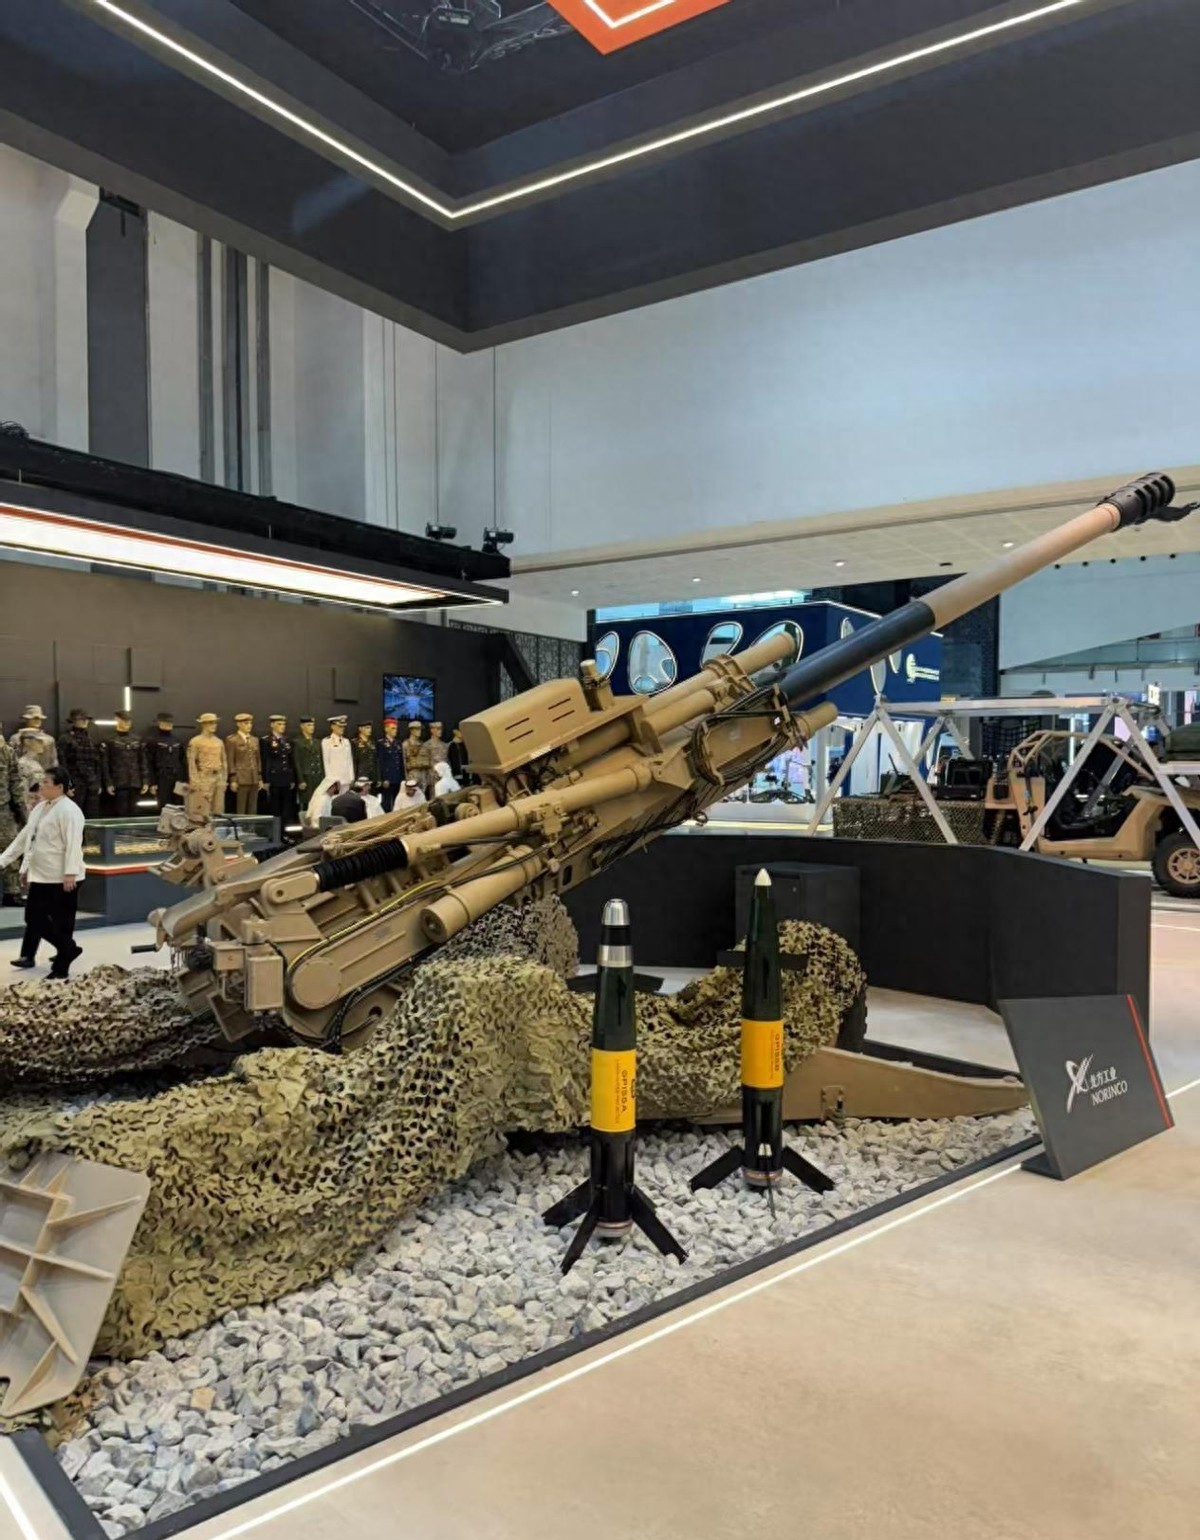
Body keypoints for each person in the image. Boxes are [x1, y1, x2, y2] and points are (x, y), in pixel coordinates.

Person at [0, 767, 87, 979]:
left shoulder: (69, 810)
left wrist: (70, 873)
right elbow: (26, 839)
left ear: (60, 787)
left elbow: (73, 844)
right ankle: (69, 949)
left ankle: (60, 969)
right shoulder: (40, 808)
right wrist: (7, 862)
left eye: (46, 782)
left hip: (62, 878)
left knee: (62, 924)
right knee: (33, 918)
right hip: (41, 876)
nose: (41, 785)